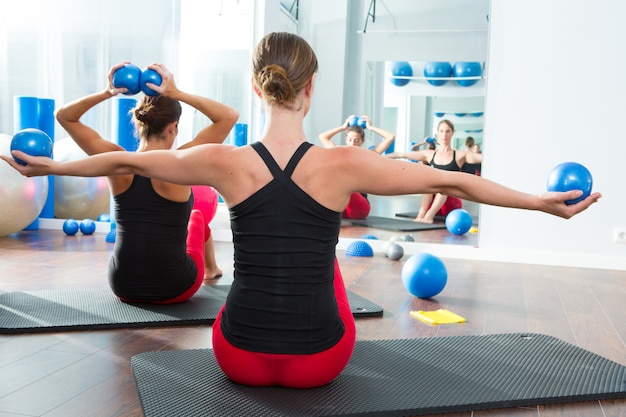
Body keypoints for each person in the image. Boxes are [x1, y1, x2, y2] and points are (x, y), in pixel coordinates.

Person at [3, 32, 601, 389]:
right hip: (320, 362)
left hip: (235, 355)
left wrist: (49, 168)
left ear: (258, 89)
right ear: (310, 89)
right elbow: (454, 183)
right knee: (328, 268)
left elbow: (118, 165)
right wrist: (541, 205)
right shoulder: (345, 163)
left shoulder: (220, 160)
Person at [54, 62, 238, 303]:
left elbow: (64, 117)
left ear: (139, 122)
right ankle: (212, 270)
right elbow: (228, 117)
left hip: (122, 285)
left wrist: (107, 92)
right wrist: (177, 93)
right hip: (176, 287)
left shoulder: (115, 161)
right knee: (196, 217)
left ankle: (207, 269)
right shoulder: (183, 161)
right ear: (173, 127)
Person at [385, 119, 483, 223]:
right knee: (428, 183)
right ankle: (421, 215)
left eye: (447, 131)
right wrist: (378, 158)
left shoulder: (459, 155)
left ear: (452, 133)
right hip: (432, 202)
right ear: (437, 133)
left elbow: (480, 157)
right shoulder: (430, 154)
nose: (444, 134)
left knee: (443, 185)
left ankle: (429, 216)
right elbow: (401, 154)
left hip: (450, 204)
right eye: (441, 131)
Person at [318, 115, 395, 219]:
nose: (352, 143)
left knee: (343, 182)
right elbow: (322, 137)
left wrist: (370, 127)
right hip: (342, 209)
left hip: (359, 209)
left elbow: (390, 137)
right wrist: (343, 127)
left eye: (356, 140)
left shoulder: (368, 155)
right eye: (350, 140)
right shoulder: (339, 153)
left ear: (362, 141)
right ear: (346, 139)